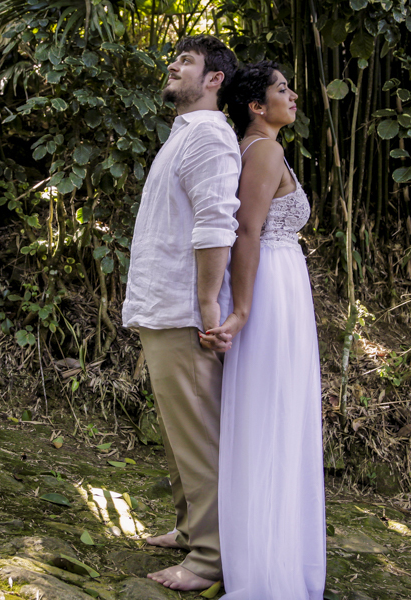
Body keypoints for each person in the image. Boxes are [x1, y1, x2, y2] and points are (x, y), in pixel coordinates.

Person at [121, 35, 239, 591]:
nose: (172, 64)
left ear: (214, 78)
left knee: (196, 438)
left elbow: (217, 225)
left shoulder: (211, 137)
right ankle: (190, 530)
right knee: (175, 433)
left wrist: (207, 305)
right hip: (161, 306)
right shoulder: (185, 134)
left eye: (186, 61)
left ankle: (210, 559)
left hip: (184, 312)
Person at [205, 61, 326, 599]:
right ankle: (265, 567)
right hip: (270, 289)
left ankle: (273, 551)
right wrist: (244, 309)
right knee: (271, 411)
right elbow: (247, 231)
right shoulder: (264, 150)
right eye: (282, 89)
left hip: (281, 284)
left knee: (277, 410)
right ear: (257, 106)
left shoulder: (258, 148)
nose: (293, 95)